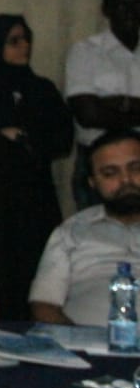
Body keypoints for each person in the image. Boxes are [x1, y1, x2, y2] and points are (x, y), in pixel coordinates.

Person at [0, 14, 73, 320]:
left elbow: (62, 139)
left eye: (26, 39)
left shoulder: (41, 89)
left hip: (36, 206)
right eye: (14, 41)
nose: (24, 47)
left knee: (38, 280)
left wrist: (19, 137)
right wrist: (17, 142)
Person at [29, 129, 140, 326]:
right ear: (92, 183)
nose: (126, 180)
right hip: (82, 342)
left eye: (136, 168)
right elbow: (44, 306)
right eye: (110, 173)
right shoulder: (71, 231)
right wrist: (76, 340)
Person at [64, 0, 140, 208]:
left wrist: (117, 103)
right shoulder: (86, 52)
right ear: (106, 10)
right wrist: (133, 106)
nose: (130, 11)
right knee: (97, 228)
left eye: (136, 4)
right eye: (122, 5)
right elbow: (87, 115)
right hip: (99, 162)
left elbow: (98, 112)